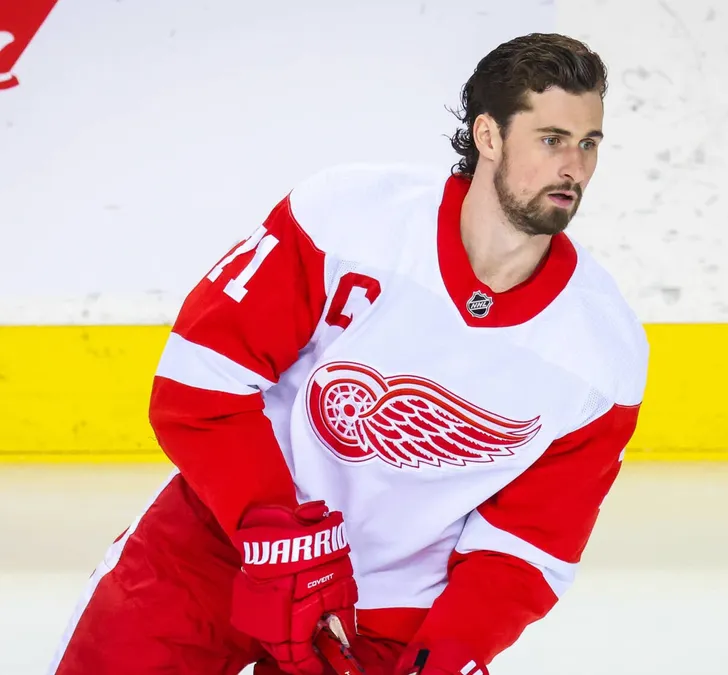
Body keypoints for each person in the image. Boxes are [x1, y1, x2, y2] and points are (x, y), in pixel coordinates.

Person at [49, 32, 649, 675]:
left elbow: (530, 545)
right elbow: (199, 387)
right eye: (553, 139)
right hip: (217, 546)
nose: (574, 168)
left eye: (589, 144)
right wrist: (283, 538)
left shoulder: (601, 353)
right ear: (489, 136)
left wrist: (449, 653)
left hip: (387, 616)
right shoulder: (347, 220)